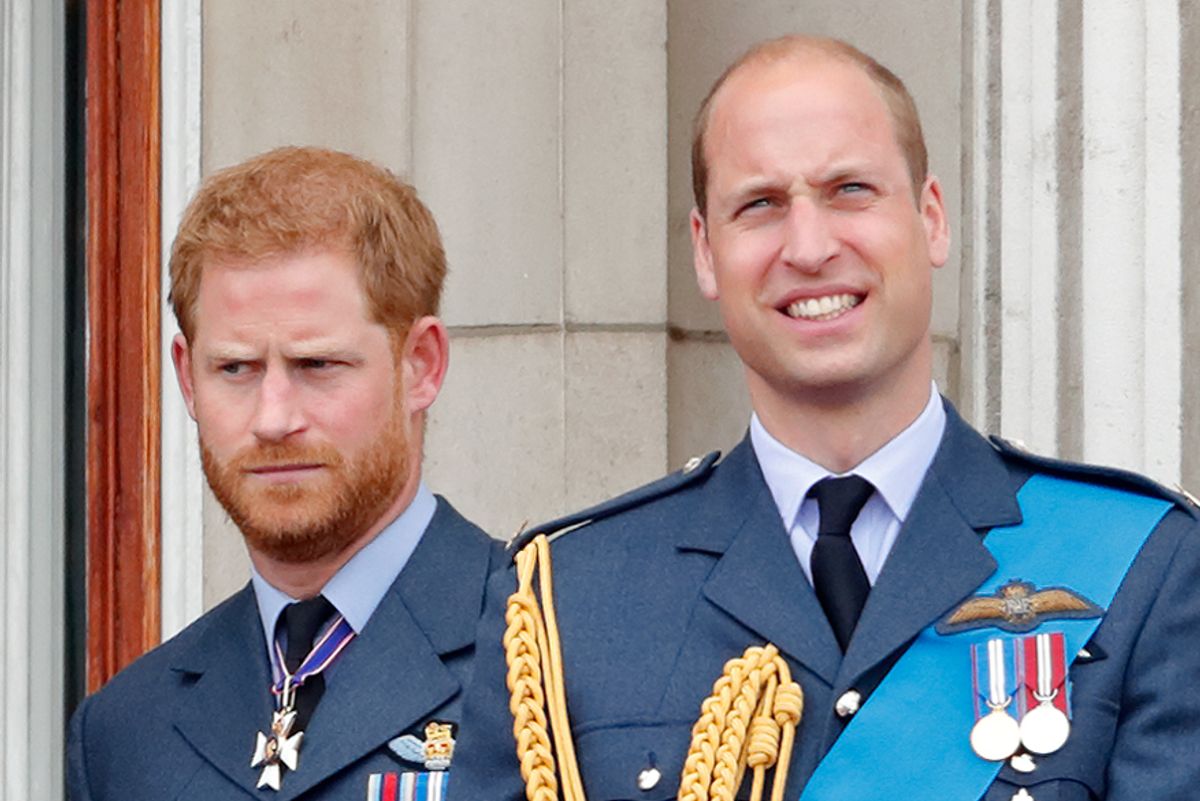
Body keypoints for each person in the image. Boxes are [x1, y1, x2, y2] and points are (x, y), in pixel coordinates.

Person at [450, 36, 1200, 801]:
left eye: (849, 189)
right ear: (706, 253)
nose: (809, 247)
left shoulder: (1148, 570)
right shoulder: (568, 601)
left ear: (931, 219)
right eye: (761, 204)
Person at [68, 146, 503, 801]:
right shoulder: (125, 732)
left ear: (421, 364)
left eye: (316, 364)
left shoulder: (551, 663)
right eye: (235, 368)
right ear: (186, 377)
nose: (273, 418)